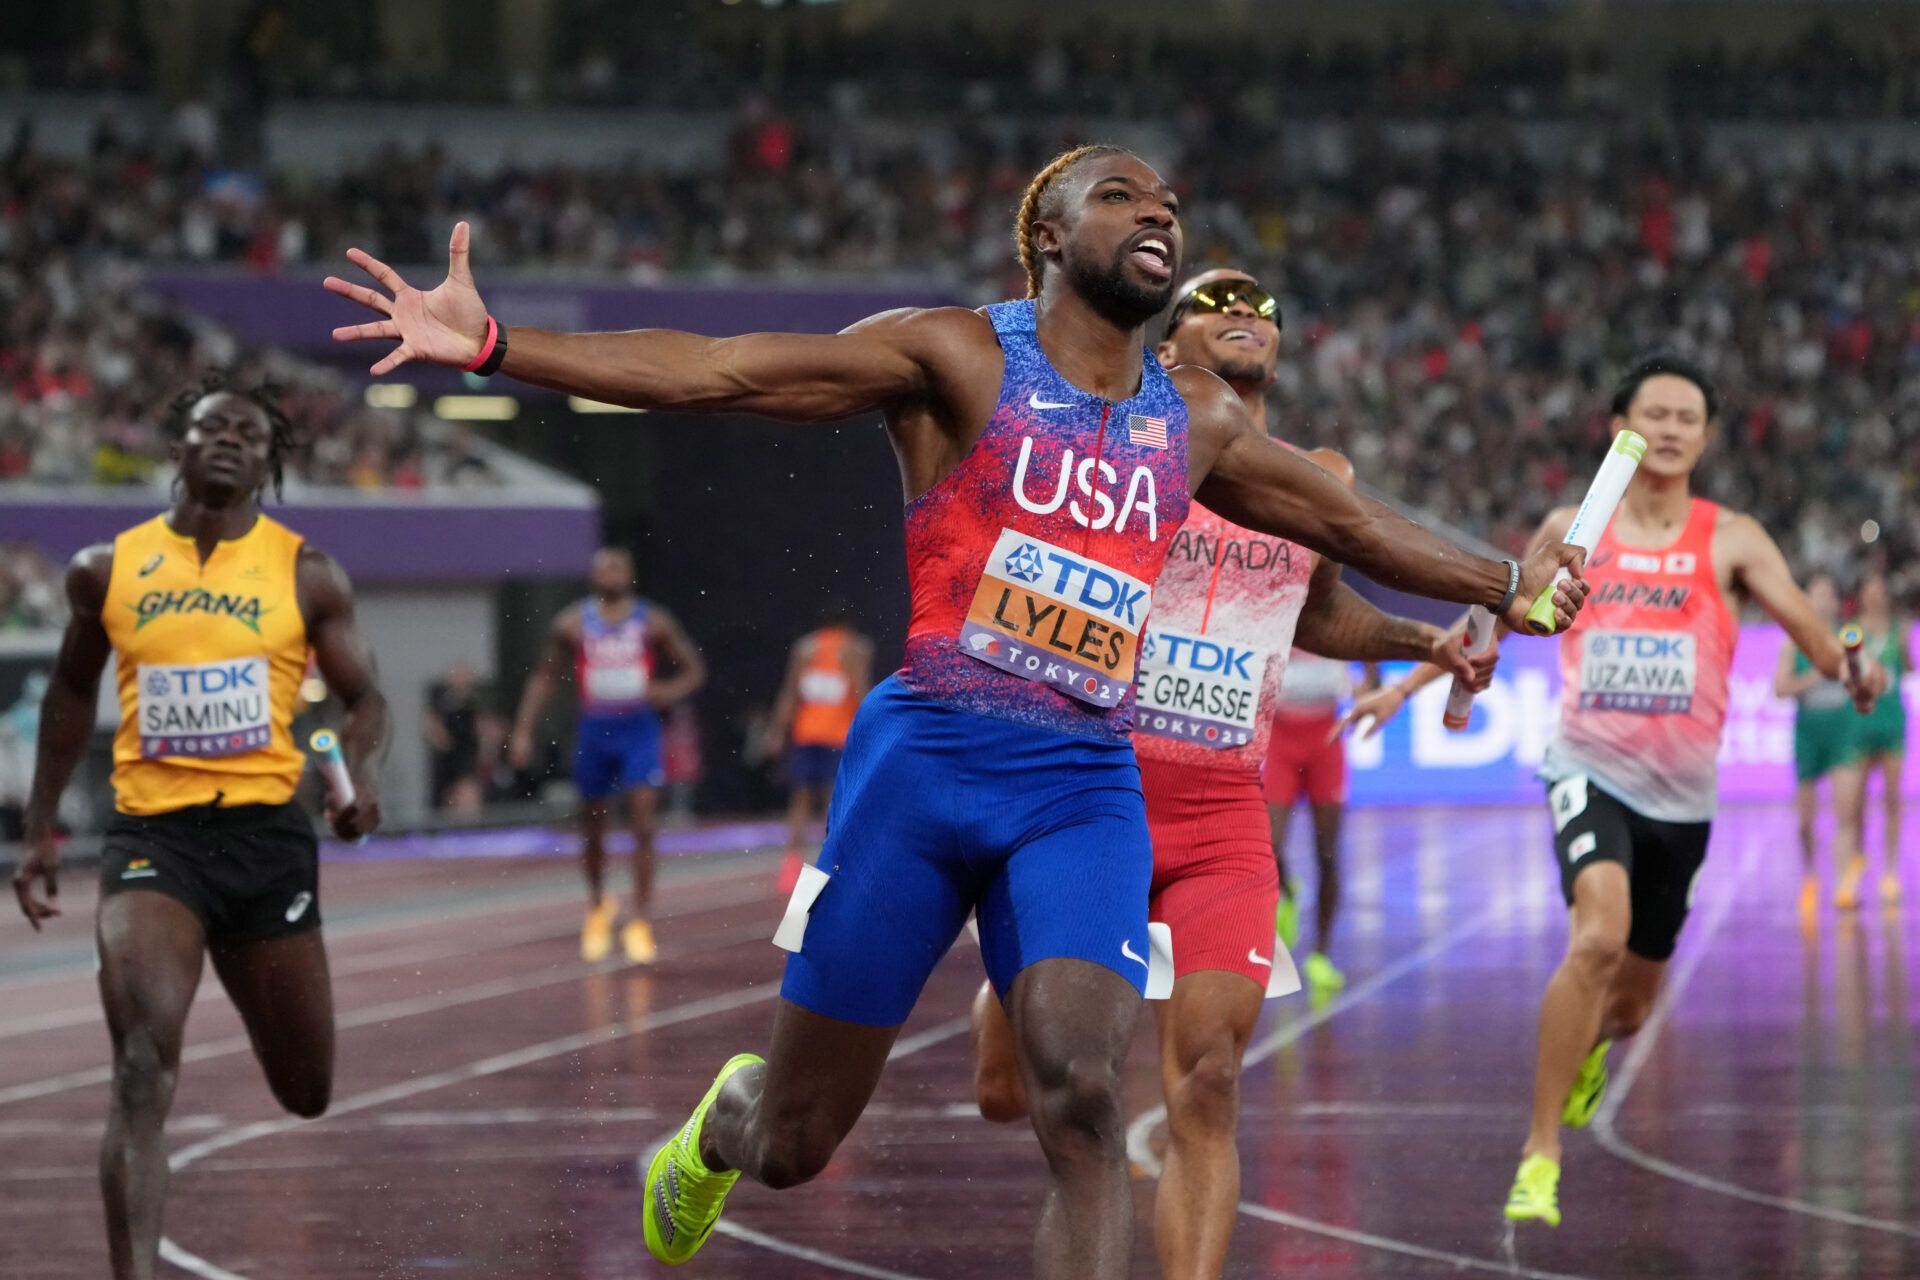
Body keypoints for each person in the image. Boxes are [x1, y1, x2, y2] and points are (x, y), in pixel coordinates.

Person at [327, 144, 1587, 1276]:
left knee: (1086, 1099)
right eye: (1122, 194)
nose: (1159, 212)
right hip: (924, 761)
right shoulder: (956, 355)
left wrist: (1509, 584)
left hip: (1085, 784)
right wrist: (498, 348)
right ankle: (724, 1123)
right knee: (795, 1144)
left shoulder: (1190, 418)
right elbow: (719, 372)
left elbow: (1349, 524)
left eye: (1170, 203)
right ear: (1047, 234)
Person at [966, 269, 1494, 1280]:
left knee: (1207, 1080)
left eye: (1268, 311)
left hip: (1221, 814)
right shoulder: (1108, 451)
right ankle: (1002, 988)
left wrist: (1426, 637)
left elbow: (1320, 612)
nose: (1249, 315)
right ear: (1165, 348)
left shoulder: (1315, 473)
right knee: (1007, 1089)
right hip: (1092, 794)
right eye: (1217, 303)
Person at [1355, 353, 1885, 1229]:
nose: (1672, 428)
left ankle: (1592, 1044)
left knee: (1631, 1005)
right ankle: (1540, 1151)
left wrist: (1852, 673)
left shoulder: (1734, 537)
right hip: (1588, 766)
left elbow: (1814, 636)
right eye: (1657, 414)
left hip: (1684, 798)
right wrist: (1411, 679)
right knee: (1595, 935)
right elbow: (1493, 604)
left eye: (1688, 417)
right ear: (1620, 429)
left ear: (1707, 437)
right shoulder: (1576, 523)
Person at [11, 379, 388, 1280]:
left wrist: (353, 780)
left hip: (268, 842)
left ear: (270, 463)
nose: (227, 439)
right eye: (208, 427)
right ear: (176, 449)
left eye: (247, 433)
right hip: (155, 841)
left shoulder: (306, 574)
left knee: (307, 1091)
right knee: (142, 1065)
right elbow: (69, 692)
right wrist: (38, 829)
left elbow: (363, 700)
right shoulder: (107, 568)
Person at [508, 547, 706, 965]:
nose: (612, 573)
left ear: (630, 575)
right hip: (595, 731)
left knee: (643, 823)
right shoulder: (572, 623)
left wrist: (666, 692)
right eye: (605, 567)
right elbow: (543, 677)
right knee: (592, 825)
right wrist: (524, 730)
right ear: (592, 576)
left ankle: (640, 919)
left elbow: (693, 669)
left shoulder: (652, 620)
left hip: (638, 730)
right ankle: (599, 904)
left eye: (619, 566)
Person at [1264, 649, 1376, 1003]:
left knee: (1327, 855)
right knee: (1267, 845)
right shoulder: (1280, 614)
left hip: (1325, 740)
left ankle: (1321, 956)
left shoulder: (1338, 623)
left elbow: (1372, 670)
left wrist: (1367, 691)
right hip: (1279, 739)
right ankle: (1289, 891)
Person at [1772, 574, 1865, 918]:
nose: (1823, 602)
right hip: (1808, 734)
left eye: (1828, 595)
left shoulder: (1849, 640)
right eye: (1816, 595)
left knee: (1845, 812)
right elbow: (1780, 688)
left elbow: (1864, 681)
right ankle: (1810, 877)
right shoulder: (1793, 643)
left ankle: (1844, 884)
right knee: (1805, 822)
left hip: (1841, 731)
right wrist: (1817, 674)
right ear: (1806, 601)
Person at [768, 610, 874, 893]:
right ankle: (833, 863)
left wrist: (777, 732)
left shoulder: (807, 647)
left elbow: (789, 693)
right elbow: (862, 692)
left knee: (802, 799)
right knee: (833, 801)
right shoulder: (856, 647)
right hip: (834, 736)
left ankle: (793, 866)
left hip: (810, 734)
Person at [1839, 572, 1909, 908]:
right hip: (1861, 724)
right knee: (1856, 803)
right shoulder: (1853, 631)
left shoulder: (1899, 630)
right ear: (1863, 595)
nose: (1876, 596)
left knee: (1893, 800)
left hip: (1892, 723)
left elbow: (1908, 668)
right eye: (1871, 590)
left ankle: (1890, 870)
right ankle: (1857, 863)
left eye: (1881, 591)